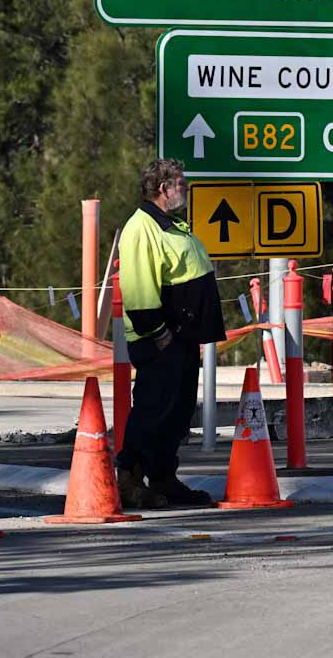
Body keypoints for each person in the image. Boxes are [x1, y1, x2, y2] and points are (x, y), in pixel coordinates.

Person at [114, 159, 227, 509]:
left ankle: (163, 477)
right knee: (153, 408)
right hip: (162, 338)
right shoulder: (142, 227)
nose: (186, 189)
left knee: (177, 412)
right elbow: (139, 285)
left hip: (182, 336)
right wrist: (157, 332)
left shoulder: (173, 225)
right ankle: (129, 478)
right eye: (181, 183)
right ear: (164, 188)